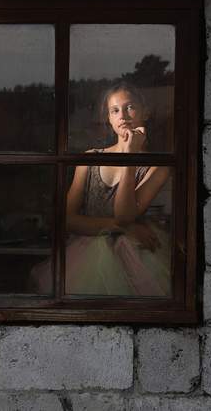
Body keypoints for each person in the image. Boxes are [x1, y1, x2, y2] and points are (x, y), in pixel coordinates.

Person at [32, 82, 172, 297]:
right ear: (108, 118)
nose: (122, 115)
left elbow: (125, 216)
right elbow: (65, 219)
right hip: (86, 257)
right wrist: (121, 228)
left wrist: (130, 155)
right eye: (115, 110)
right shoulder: (90, 159)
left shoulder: (157, 166)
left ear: (146, 112)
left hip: (136, 257)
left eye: (130, 107)